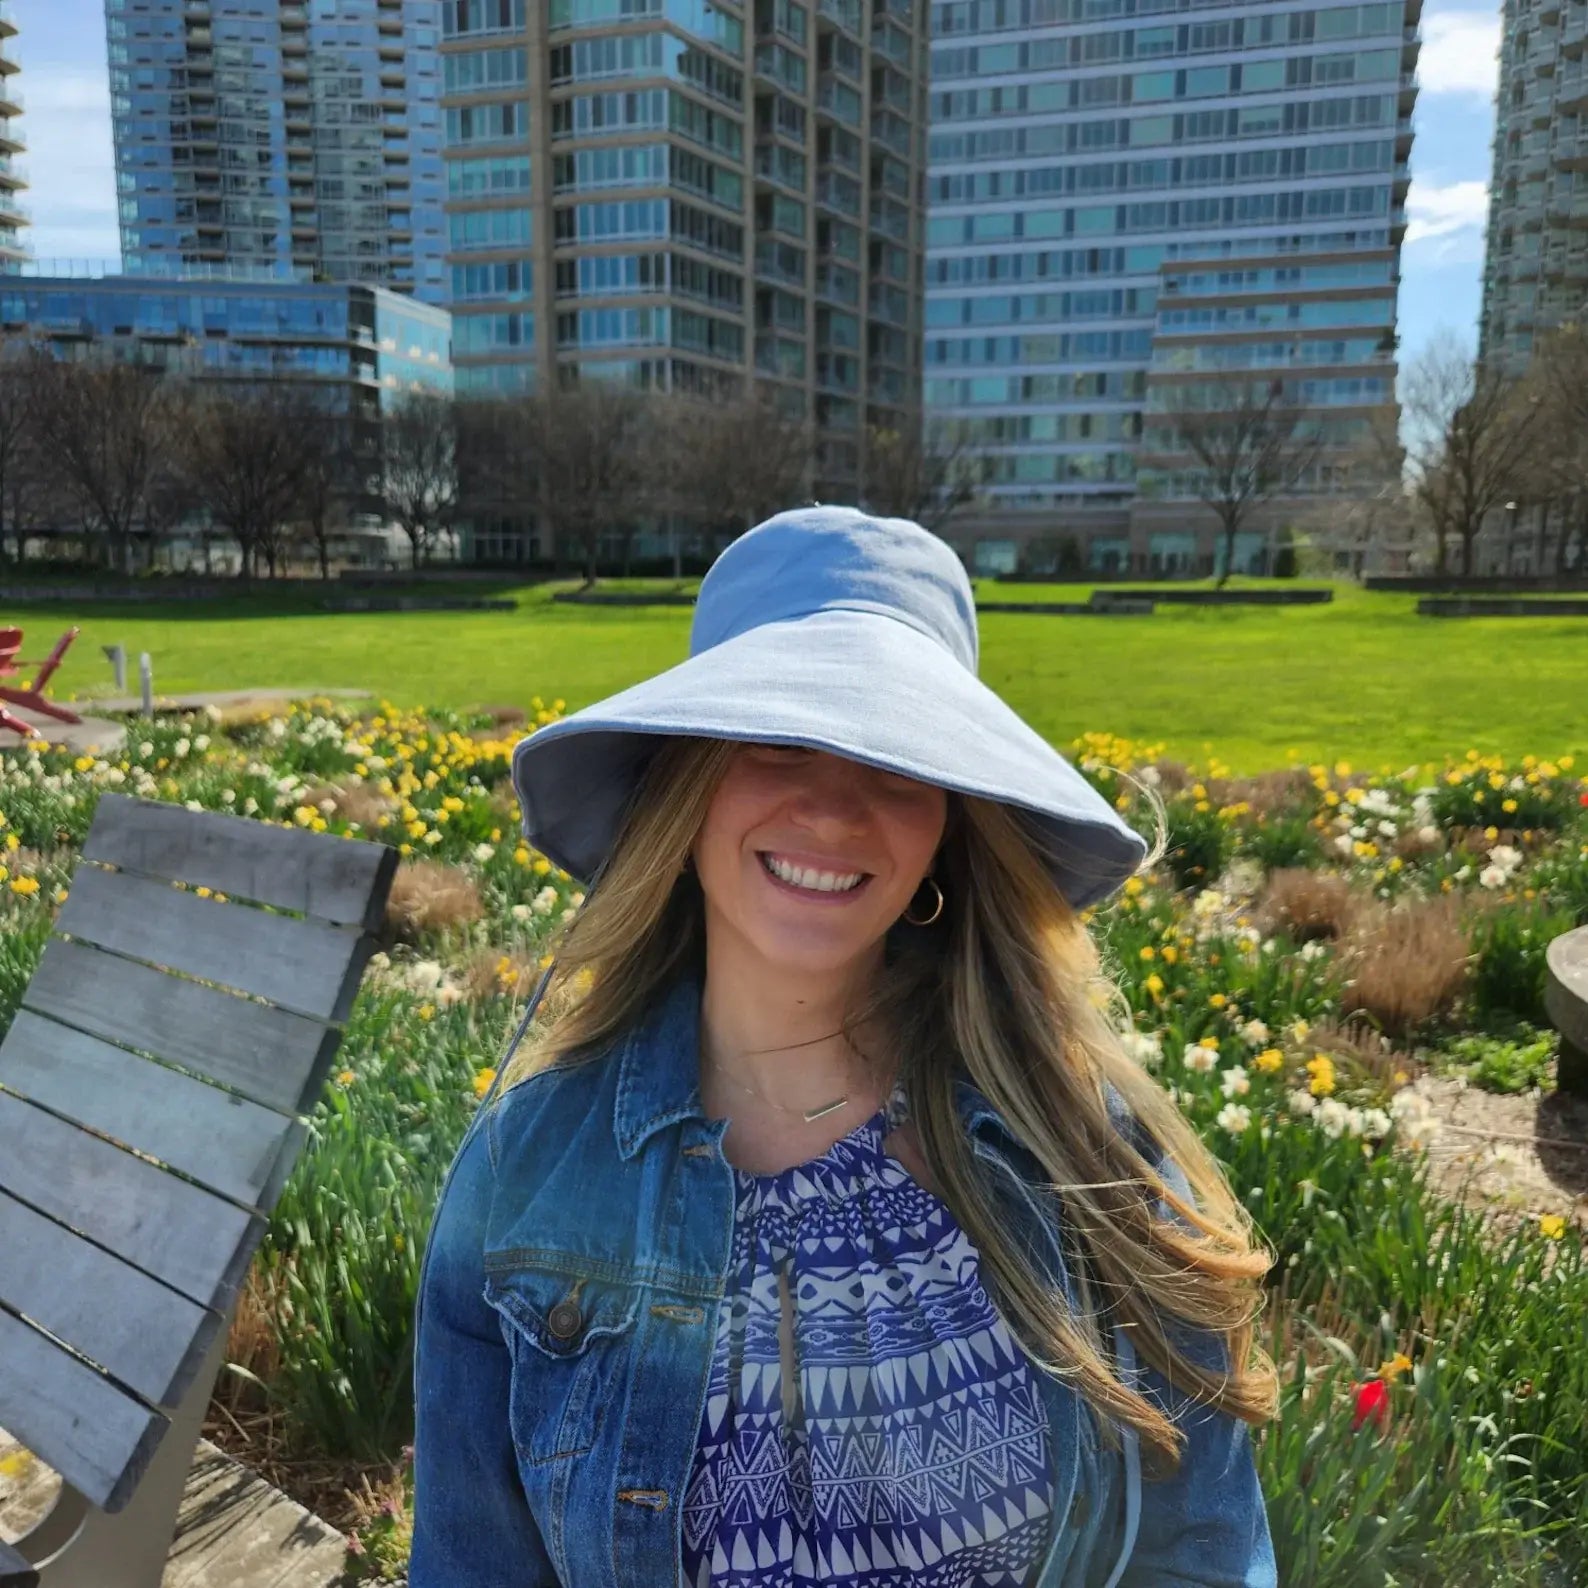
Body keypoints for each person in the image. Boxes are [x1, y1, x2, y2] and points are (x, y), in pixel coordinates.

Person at [411, 506, 1278, 1587]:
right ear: (685, 783)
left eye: (899, 760)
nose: (833, 809)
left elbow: (1201, 1553)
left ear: (947, 826)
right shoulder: (529, 1170)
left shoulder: (1084, 1152)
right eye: (777, 739)